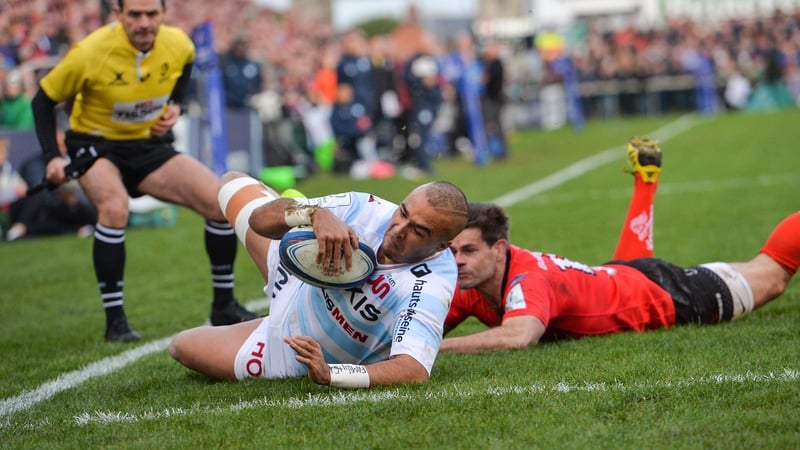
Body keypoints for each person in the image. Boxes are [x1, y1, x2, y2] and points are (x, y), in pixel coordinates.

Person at [30, 0, 257, 342]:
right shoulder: (90, 52)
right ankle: (115, 322)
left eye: (152, 14)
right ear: (118, 14)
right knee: (114, 207)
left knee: (219, 202)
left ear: (163, 14)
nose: (144, 23)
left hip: (148, 146)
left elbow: (185, 66)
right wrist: (51, 156)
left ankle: (223, 306)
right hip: (96, 145)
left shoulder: (179, 43)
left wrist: (176, 106)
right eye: (134, 14)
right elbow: (43, 99)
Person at [442, 137, 799, 353]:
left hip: (670, 295)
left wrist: (436, 348)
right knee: (623, 280)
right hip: (622, 274)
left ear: (499, 249)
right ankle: (646, 184)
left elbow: (519, 336)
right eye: (452, 251)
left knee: (771, 273)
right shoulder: (472, 284)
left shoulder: (529, 279)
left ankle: (647, 186)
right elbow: (421, 324)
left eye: (469, 250)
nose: (457, 261)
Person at [169, 172, 468, 388]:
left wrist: (332, 374)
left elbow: (413, 369)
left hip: (292, 348)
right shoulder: (366, 207)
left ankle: (263, 321)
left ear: (442, 246)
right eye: (403, 212)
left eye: (419, 231)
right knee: (231, 184)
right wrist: (314, 213)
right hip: (296, 273)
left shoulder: (431, 284)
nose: (399, 229)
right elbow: (258, 221)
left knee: (183, 346)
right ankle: (297, 210)